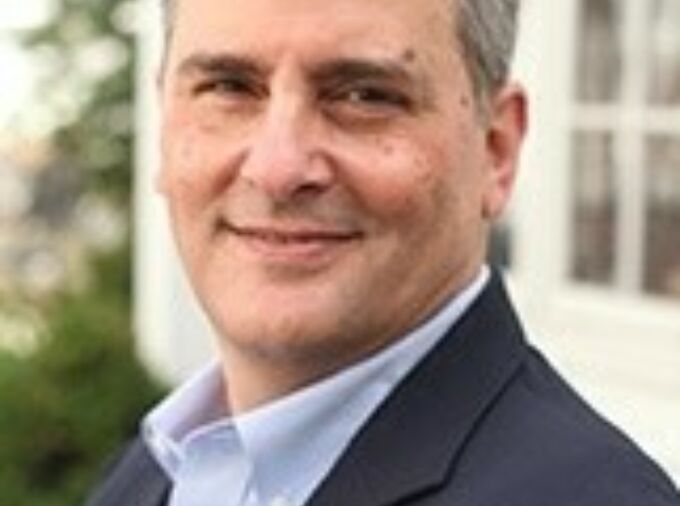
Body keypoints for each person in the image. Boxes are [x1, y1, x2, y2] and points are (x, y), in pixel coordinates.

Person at [86, 0, 680, 504]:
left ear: (496, 150)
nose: (277, 169)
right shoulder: (152, 473)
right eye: (229, 87)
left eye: (364, 96)